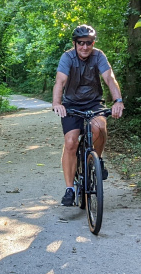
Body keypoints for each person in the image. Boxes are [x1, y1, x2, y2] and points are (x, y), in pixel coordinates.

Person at [52, 24, 124, 206]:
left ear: (93, 43)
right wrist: (57, 103)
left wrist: (118, 101)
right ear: (75, 43)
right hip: (71, 104)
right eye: (81, 43)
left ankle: (96, 160)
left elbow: (109, 78)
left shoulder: (98, 55)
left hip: (93, 102)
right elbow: (60, 82)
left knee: (99, 128)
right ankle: (70, 189)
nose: (85, 47)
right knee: (70, 142)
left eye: (89, 43)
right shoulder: (67, 57)